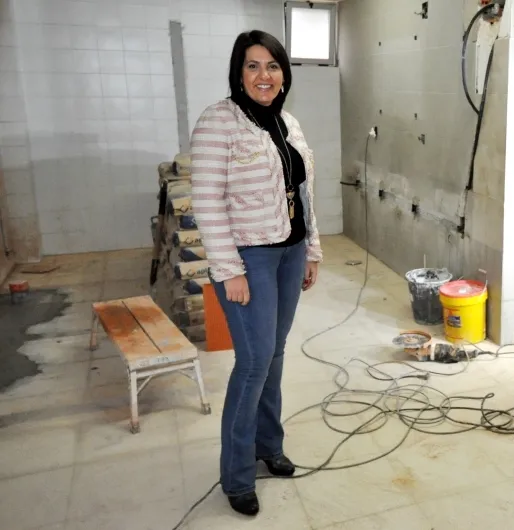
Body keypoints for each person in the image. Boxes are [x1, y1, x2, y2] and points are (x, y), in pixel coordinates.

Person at [190, 30, 323, 517]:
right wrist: (230, 270)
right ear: (238, 72)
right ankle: (237, 475)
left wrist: (311, 250)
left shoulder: (287, 122)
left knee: (275, 354)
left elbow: (304, 194)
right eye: (252, 66)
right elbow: (207, 202)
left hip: (290, 252)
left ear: (283, 73)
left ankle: (269, 445)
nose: (263, 75)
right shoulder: (218, 122)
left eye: (272, 65)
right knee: (253, 362)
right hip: (250, 257)